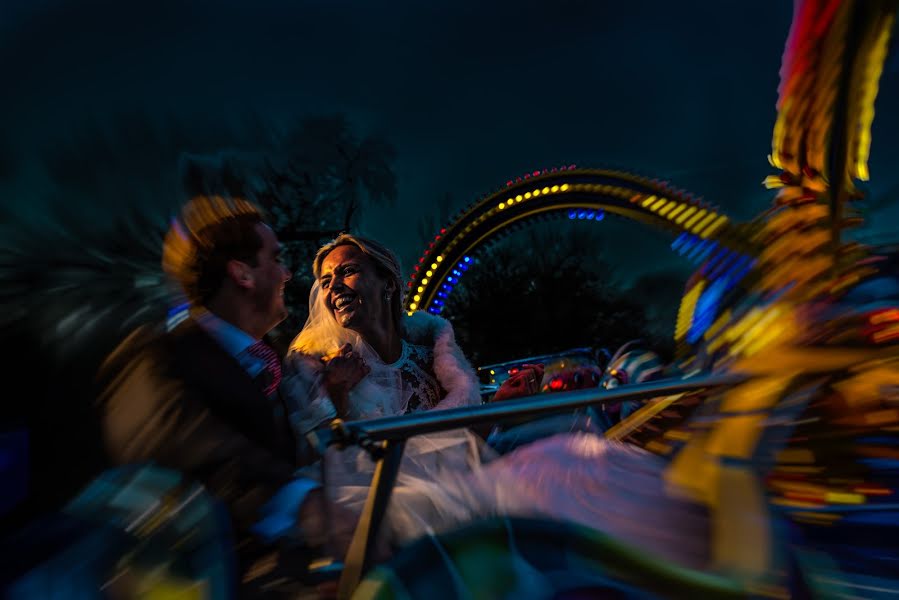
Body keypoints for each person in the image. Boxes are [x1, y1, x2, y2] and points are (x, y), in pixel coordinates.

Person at [95, 195, 338, 595]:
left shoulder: (265, 361)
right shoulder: (156, 353)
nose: (287, 274)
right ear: (242, 274)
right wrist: (303, 504)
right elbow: (185, 443)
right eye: (275, 259)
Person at [280, 234, 485, 547]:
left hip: (455, 493)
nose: (333, 286)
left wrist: (507, 406)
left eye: (347, 271)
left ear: (388, 284)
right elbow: (316, 459)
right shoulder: (313, 365)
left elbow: (466, 437)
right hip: (376, 516)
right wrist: (338, 394)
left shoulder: (432, 353)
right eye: (324, 280)